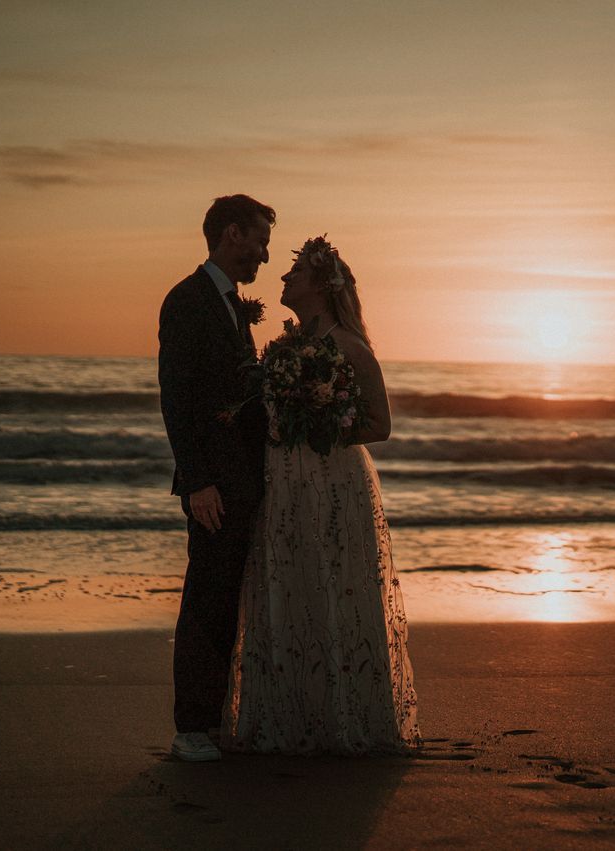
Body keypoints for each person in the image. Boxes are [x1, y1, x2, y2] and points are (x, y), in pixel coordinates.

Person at [222, 236, 420, 755]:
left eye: (293, 275)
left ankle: (342, 719)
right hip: (283, 482)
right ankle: (290, 716)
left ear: (320, 286)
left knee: (333, 589)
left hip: (332, 485)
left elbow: (380, 425)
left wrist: (318, 422)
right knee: (289, 586)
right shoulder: (286, 344)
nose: (283, 280)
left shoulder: (350, 346)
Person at [158, 194, 274, 762]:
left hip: (241, 479)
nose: (265, 256)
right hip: (213, 485)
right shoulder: (187, 301)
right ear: (232, 234)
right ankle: (191, 726)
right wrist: (198, 481)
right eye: (259, 241)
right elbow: (177, 399)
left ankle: (213, 719)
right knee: (205, 598)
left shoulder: (230, 304)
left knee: (227, 598)